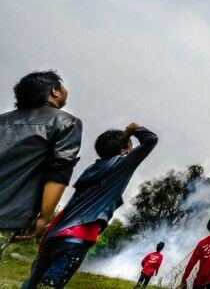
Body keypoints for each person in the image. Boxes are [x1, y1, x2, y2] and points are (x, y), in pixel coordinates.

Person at [22, 123, 158, 289]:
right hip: (76, 239)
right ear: (123, 151)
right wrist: (134, 129)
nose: (132, 149)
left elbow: (74, 202)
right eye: (130, 145)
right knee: (50, 286)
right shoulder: (121, 164)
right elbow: (151, 140)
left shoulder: (92, 169)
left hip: (55, 234)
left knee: (32, 283)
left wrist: (52, 225)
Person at [0, 71, 82, 241]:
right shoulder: (66, 123)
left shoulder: (2, 120)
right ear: (55, 91)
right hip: (9, 215)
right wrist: (44, 217)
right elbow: (58, 173)